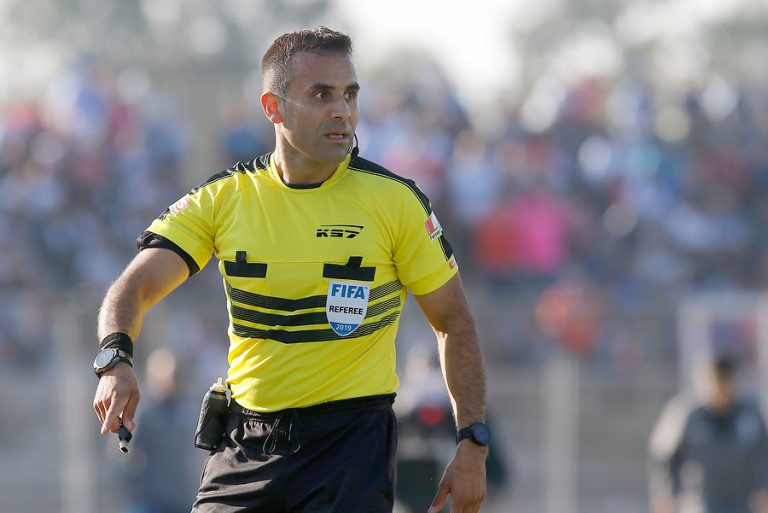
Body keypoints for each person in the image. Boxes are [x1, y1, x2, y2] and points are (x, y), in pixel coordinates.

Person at [92, 26, 489, 513]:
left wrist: (472, 441)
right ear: (272, 107)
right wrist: (115, 361)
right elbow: (135, 285)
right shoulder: (223, 199)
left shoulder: (396, 203)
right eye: (320, 94)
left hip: (351, 447)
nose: (341, 109)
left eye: (349, 94)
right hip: (245, 444)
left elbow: (453, 321)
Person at [648, 353, 768, 513]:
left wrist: (763, 487)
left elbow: (764, 454)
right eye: (715, 382)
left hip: (742, 503)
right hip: (699, 503)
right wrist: (665, 493)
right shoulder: (686, 414)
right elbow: (663, 456)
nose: (719, 389)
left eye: (725, 381)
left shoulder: (749, 414)